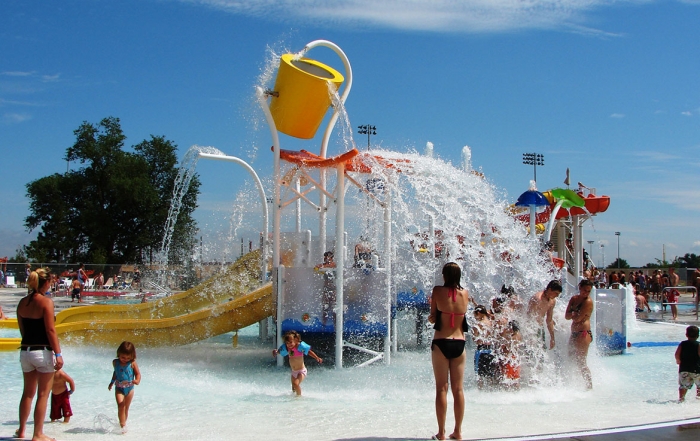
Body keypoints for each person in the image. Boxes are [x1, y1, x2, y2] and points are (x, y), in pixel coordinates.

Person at [16, 267, 63, 441]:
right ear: (46, 283)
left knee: (27, 392)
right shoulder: (46, 302)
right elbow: (50, 330)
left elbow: (22, 330)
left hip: (25, 351)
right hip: (42, 352)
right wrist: (58, 354)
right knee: (43, 393)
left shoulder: (22, 303)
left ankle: (21, 431)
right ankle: (37, 434)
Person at [427, 262, 469, 441]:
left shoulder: (437, 291)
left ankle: (441, 433)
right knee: (458, 389)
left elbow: (433, 317)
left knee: (441, 389)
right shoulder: (465, 293)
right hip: (459, 342)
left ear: (444, 275)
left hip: (441, 342)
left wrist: (433, 317)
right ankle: (458, 432)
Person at [272, 330, 322, 396]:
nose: (289, 344)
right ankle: (294, 401)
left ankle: (299, 398)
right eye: (287, 343)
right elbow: (279, 351)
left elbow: (309, 352)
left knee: (296, 384)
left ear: (295, 340)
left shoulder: (299, 347)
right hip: (294, 372)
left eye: (290, 342)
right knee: (293, 389)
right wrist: (275, 352)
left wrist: (317, 357)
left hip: (301, 371)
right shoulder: (287, 348)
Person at [565, 279, 594, 390]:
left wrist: (573, 313)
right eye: (584, 290)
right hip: (575, 333)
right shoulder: (574, 299)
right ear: (580, 288)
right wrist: (573, 314)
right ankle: (575, 382)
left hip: (584, 333)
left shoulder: (588, 302)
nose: (586, 293)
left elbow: (577, 318)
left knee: (581, 361)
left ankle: (589, 386)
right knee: (571, 356)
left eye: (588, 291)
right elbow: (566, 316)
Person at [108, 341, 141, 434]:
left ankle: (124, 424)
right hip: (119, 388)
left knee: (126, 408)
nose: (125, 359)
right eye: (123, 357)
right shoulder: (115, 362)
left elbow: (138, 374)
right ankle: (122, 426)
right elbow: (116, 373)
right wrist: (111, 382)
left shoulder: (132, 363)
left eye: (128, 358)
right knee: (121, 405)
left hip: (130, 389)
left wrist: (137, 380)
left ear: (132, 356)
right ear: (119, 354)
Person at [527, 280, 562, 350]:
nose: (557, 296)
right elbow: (529, 316)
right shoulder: (537, 298)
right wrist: (530, 334)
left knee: (542, 352)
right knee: (531, 351)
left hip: (540, 328)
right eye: (556, 293)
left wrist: (552, 338)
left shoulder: (552, 301)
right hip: (531, 329)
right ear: (550, 289)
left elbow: (549, 320)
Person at [471, 305, 496, 389]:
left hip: (481, 351)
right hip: (491, 350)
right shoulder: (491, 322)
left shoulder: (478, 325)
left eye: (475, 314)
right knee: (490, 375)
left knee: (479, 376)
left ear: (478, 313)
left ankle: (480, 392)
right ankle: (491, 391)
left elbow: (475, 340)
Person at [674, 325, 700, 402]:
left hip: (684, 369)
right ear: (698, 336)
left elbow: (677, 354)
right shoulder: (698, 344)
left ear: (686, 335)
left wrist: (678, 360)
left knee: (683, 386)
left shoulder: (682, 344)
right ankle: (698, 398)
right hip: (697, 369)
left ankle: (681, 399)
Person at [314, 251, 337, 326]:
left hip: (334, 289)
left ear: (330, 258)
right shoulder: (323, 265)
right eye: (324, 257)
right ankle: (324, 324)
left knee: (334, 307)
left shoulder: (334, 265)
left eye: (326, 257)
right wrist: (321, 271)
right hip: (326, 288)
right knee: (325, 307)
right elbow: (316, 268)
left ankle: (335, 324)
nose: (324, 258)